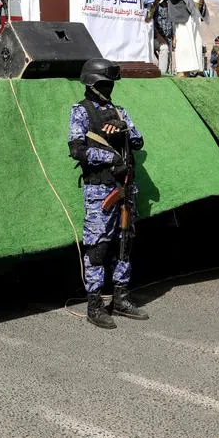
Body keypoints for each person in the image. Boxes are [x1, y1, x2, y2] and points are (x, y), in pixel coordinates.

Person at [68, 59, 147, 328]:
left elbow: (138, 141)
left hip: (126, 187)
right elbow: (77, 150)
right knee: (98, 247)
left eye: (111, 84)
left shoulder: (120, 111)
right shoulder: (81, 111)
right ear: (92, 84)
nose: (109, 88)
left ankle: (121, 298)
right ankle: (94, 305)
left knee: (125, 244)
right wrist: (110, 159)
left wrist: (124, 128)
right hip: (100, 189)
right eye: (104, 84)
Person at [161, 0, 207, 76]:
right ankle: (182, 73)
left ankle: (193, 72)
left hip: (194, 13)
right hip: (183, 15)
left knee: (196, 43)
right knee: (185, 44)